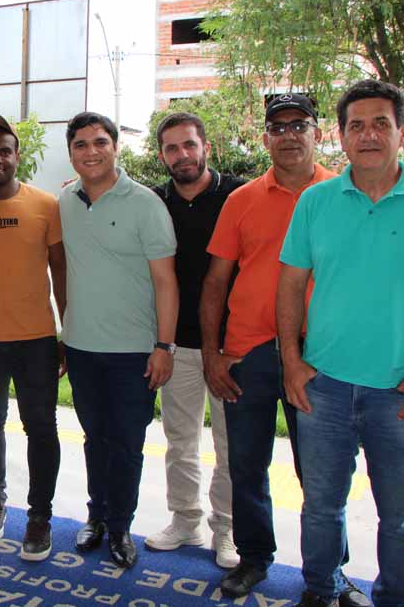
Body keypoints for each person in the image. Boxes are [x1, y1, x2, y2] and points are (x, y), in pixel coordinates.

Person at [277, 80, 404, 607]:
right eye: (357, 125)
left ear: (401, 132)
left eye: (380, 124)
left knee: (401, 517)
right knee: (320, 508)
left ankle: (396, 599)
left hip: (403, 391)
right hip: (324, 387)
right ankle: (321, 591)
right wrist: (292, 362)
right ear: (341, 137)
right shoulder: (315, 202)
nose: (368, 135)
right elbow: (290, 285)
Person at [202, 94, 365, 605]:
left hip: (320, 357)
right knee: (247, 466)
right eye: (278, 127)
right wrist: (211, 353)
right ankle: (254, 558)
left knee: (320, 474)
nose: (289, 135)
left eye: (299, 125)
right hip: (246, 352)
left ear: (319, 133)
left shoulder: (345, 194)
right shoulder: (241, 200)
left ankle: (331, 573)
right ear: (265, 138)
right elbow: (215, 282)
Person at [59, 111, 179, 569]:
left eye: (100, 142)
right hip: (82, 348)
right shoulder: (65, 201)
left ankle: (120, 526)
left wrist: (164, 347)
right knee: (96, 439)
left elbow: (166, 282)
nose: (91, 152)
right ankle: (96, 515)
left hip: (135, 352)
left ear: (115, 146)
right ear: (71, 153)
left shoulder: (146, 204)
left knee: (127, 443)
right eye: (81, 144)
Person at [0, 113, 66, 562]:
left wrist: (66, 332)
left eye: (4, 151)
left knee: (41, 426)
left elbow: (61, 273)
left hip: (36, 339)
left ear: (18, 155)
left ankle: (39, 516)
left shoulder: (45, 205)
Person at [145, 113, 245, 568]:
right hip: (177, 344)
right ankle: (186, 520)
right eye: (172, 148)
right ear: (162, 155)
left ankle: (227, 530)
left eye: (189, 145)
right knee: (180, 441)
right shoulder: (154, 202)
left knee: (230, 445)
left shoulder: (238, 196)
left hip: (231, 346)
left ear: (206, 146)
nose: (182, 155)